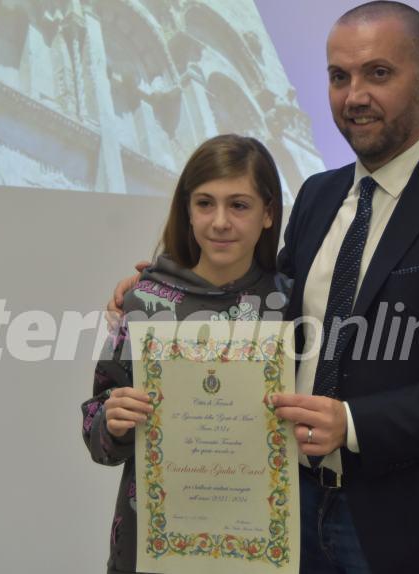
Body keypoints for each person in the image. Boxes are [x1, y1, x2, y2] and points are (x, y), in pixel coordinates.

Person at [110, 3, 419, 573]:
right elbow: (260, 306)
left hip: (416, 528)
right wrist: (165, 287)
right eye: (339, 76)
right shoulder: (317, 196)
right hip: (290, 508)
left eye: (378, 73)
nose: (354, 95)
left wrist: (354, 424)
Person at [80, 134, 287, 574]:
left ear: (268, 213)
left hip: (259, 547)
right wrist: (112, 422)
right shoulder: (145, 300)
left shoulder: (292, 305)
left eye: (240, 205)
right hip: (154, 545)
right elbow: (96, 429)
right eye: (205, 203)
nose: (220, 222)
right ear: (187, 210)